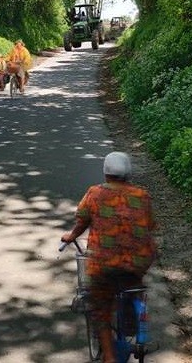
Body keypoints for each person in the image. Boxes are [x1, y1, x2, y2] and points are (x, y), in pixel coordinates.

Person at [61, 152, 157, 363]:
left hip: (104, 265)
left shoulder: (95, 193)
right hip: (136, 265)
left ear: (106, 173)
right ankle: (133, 309)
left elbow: (82, 221)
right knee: (132, 282)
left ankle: (110, 358)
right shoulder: (142, 195)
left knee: (100, 307)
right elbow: (149, 226)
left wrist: (71, 237)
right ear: (128, 174)